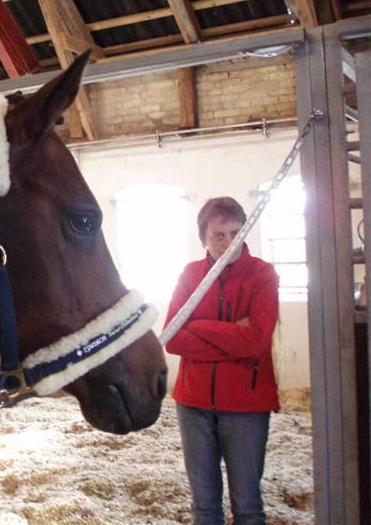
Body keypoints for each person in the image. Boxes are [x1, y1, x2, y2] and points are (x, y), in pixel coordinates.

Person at [164, 196, 280, 525]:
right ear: (203, 238)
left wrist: (197, 328)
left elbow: (256, 342)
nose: (230, 242)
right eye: (219, 235)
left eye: (236, 232)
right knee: (204, 505)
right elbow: (172, 339)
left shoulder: (262, 275)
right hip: (193, 404)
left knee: (247, 505)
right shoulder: (190, 275)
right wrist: (231, 333)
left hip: (246, 405)